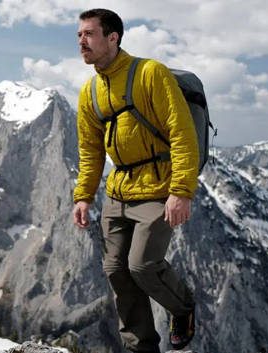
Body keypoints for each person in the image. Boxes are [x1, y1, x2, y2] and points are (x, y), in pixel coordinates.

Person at [70, 8, 198, 353]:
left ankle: (183, 308)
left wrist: (181, 191)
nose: (81, 41)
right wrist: (83, 196)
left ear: (113, 37)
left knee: (142, 266)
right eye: (79, 34)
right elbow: (91, 150)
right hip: (119, 192)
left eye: (89, 34)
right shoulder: (89, 92)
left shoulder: (149, 73)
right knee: (116, 272)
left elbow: (182, 132)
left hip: (159, 189)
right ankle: (140, 347)